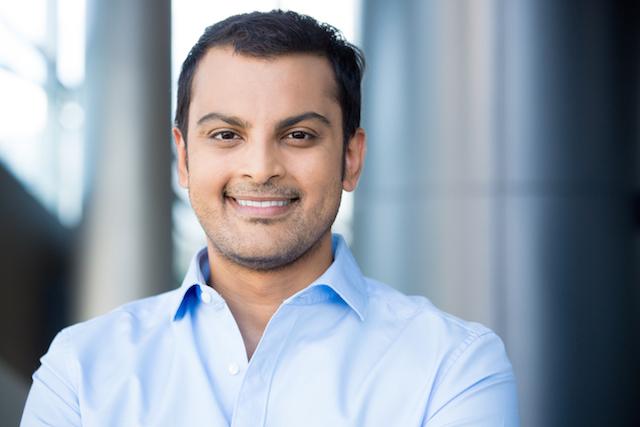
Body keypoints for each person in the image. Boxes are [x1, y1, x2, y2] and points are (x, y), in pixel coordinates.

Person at [21, 10, 519, 426]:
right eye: (226, 135)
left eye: (299, 135)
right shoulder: (82, 368)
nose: (260, 168)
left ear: (351, 158)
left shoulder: (453, 367)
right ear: (184, 158)